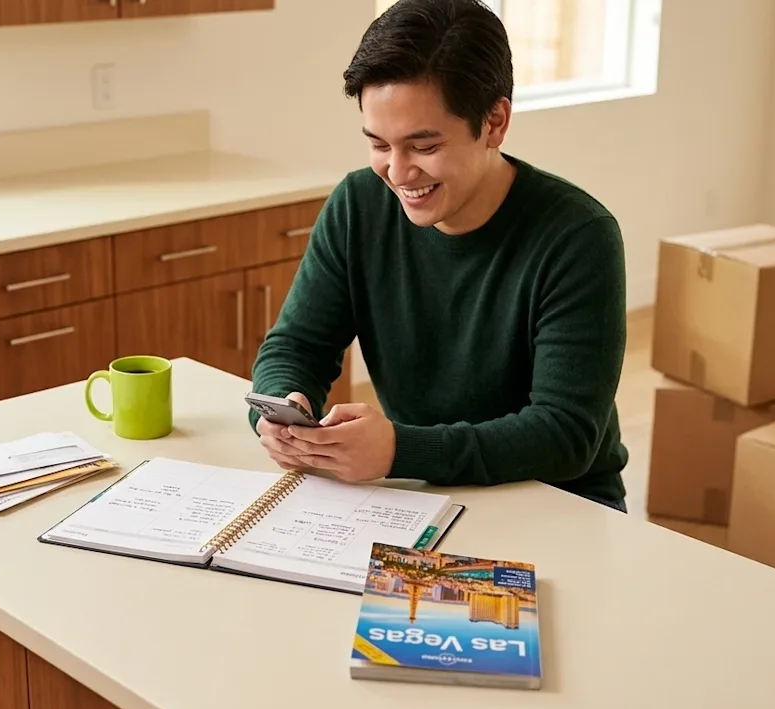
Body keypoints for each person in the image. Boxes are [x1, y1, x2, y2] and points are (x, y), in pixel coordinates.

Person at [247, 0, 630, 512]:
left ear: (494, 122)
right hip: (428, 492)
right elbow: (296, 345)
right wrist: (283, 407)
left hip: (560, 502)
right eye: (379, 144)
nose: (398, 173)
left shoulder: (579, 237)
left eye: (423, 147)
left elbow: (565, 434)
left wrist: (399, 449)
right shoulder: (360, 204)